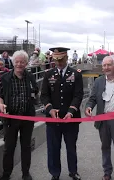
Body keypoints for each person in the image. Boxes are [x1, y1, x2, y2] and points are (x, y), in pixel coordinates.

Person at [40, 47, 84, 180]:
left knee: (71, 147)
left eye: (61, 59)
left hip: (71, 119)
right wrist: (50, 109)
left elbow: (78, 95)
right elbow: (44, 95)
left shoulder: (76, 74)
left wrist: (71, 111)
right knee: (53, 148)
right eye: (56, 60)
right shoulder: (48, 74)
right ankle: (55, 173)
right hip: (53, 119)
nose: (59, 63)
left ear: (66, 58)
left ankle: (73, 171)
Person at [0, 50, 38, 180]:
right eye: (17, 62)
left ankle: (26, 173)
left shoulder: (30, 77)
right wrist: (1, 105)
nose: (19, 64)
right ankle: (6, 174)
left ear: (26, 63)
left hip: (27, 118)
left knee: (26, 146)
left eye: (22, 62)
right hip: (10, 118)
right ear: (13, 63)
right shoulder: (5, 78)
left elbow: (36, 92)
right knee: (9, 148)